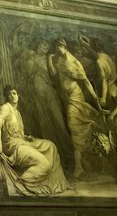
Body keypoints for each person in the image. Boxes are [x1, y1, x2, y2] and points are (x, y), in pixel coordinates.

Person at [0, 86, 70, 196]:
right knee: (45, 165)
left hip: (21, 142)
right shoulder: (5, 108)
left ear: (18, 95)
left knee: (51, 146)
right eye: (9, 94)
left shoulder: (17, 113)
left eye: (14, 93)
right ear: (6, 97)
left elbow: (18, 134)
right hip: (12, 146)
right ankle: (19, 183)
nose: (12, 96)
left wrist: (27, 138)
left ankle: (58, 184)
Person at [13, 39, 74, 168]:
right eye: (43, 44)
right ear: (38, 45)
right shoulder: (30, 57)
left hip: (49, 92)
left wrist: (49, 60)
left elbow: (53, 75)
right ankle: (52, 156)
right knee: (44, 123)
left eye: (47, 46)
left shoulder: (48, 59)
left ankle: (69, 153)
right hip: (37, 96)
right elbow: (26, 77)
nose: (46, 47)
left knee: (58, 121)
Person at [49, 38, 101, 179]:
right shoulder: (59, 60)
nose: (57, 49)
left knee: (75, 128)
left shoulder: (74, 63)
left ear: (64, 46)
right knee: (76, 130)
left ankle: (78, 167)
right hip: (67, 99)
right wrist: (49, 59)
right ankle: (82, 165)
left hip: (76, 98)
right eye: (55, 47)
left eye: (59, 47)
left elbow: (86, 82)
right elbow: (54, 75)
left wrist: (96, 101)